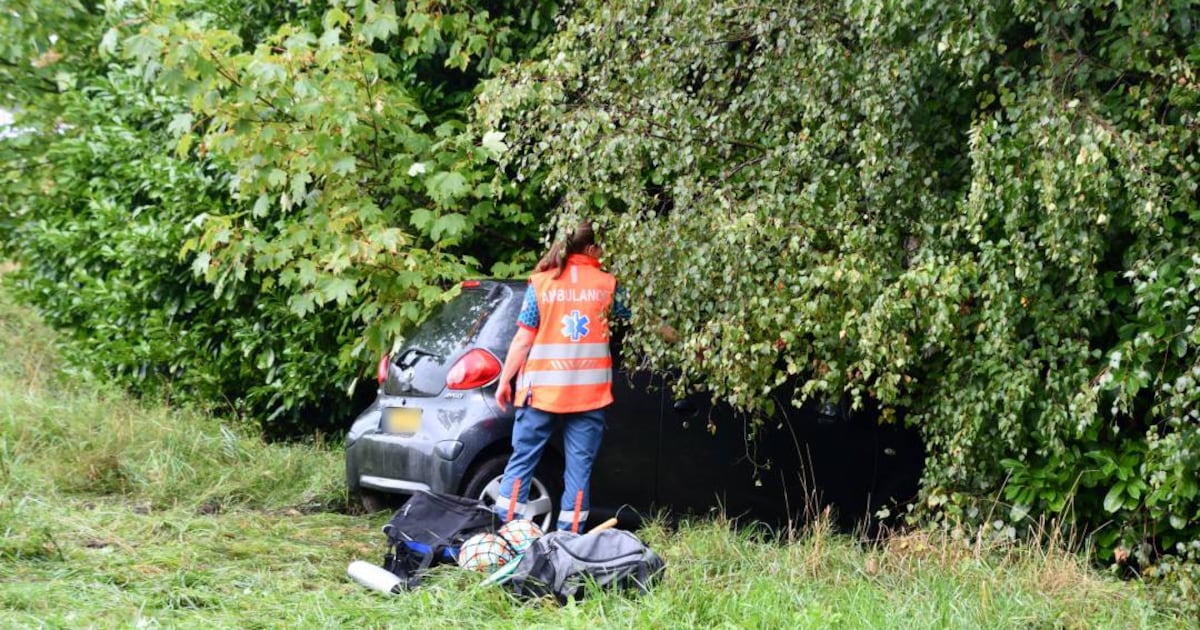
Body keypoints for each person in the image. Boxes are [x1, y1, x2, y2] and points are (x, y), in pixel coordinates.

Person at [493, 221, 629, 533]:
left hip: (540, 393)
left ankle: (505, 532)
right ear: (592, 249)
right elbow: (644, 322)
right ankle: (569, 544)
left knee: (522, 462)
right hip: (588, 397)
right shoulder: (607, 285)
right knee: (578, 473)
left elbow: (523, 339)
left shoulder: (542, 283)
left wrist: (504, 380)